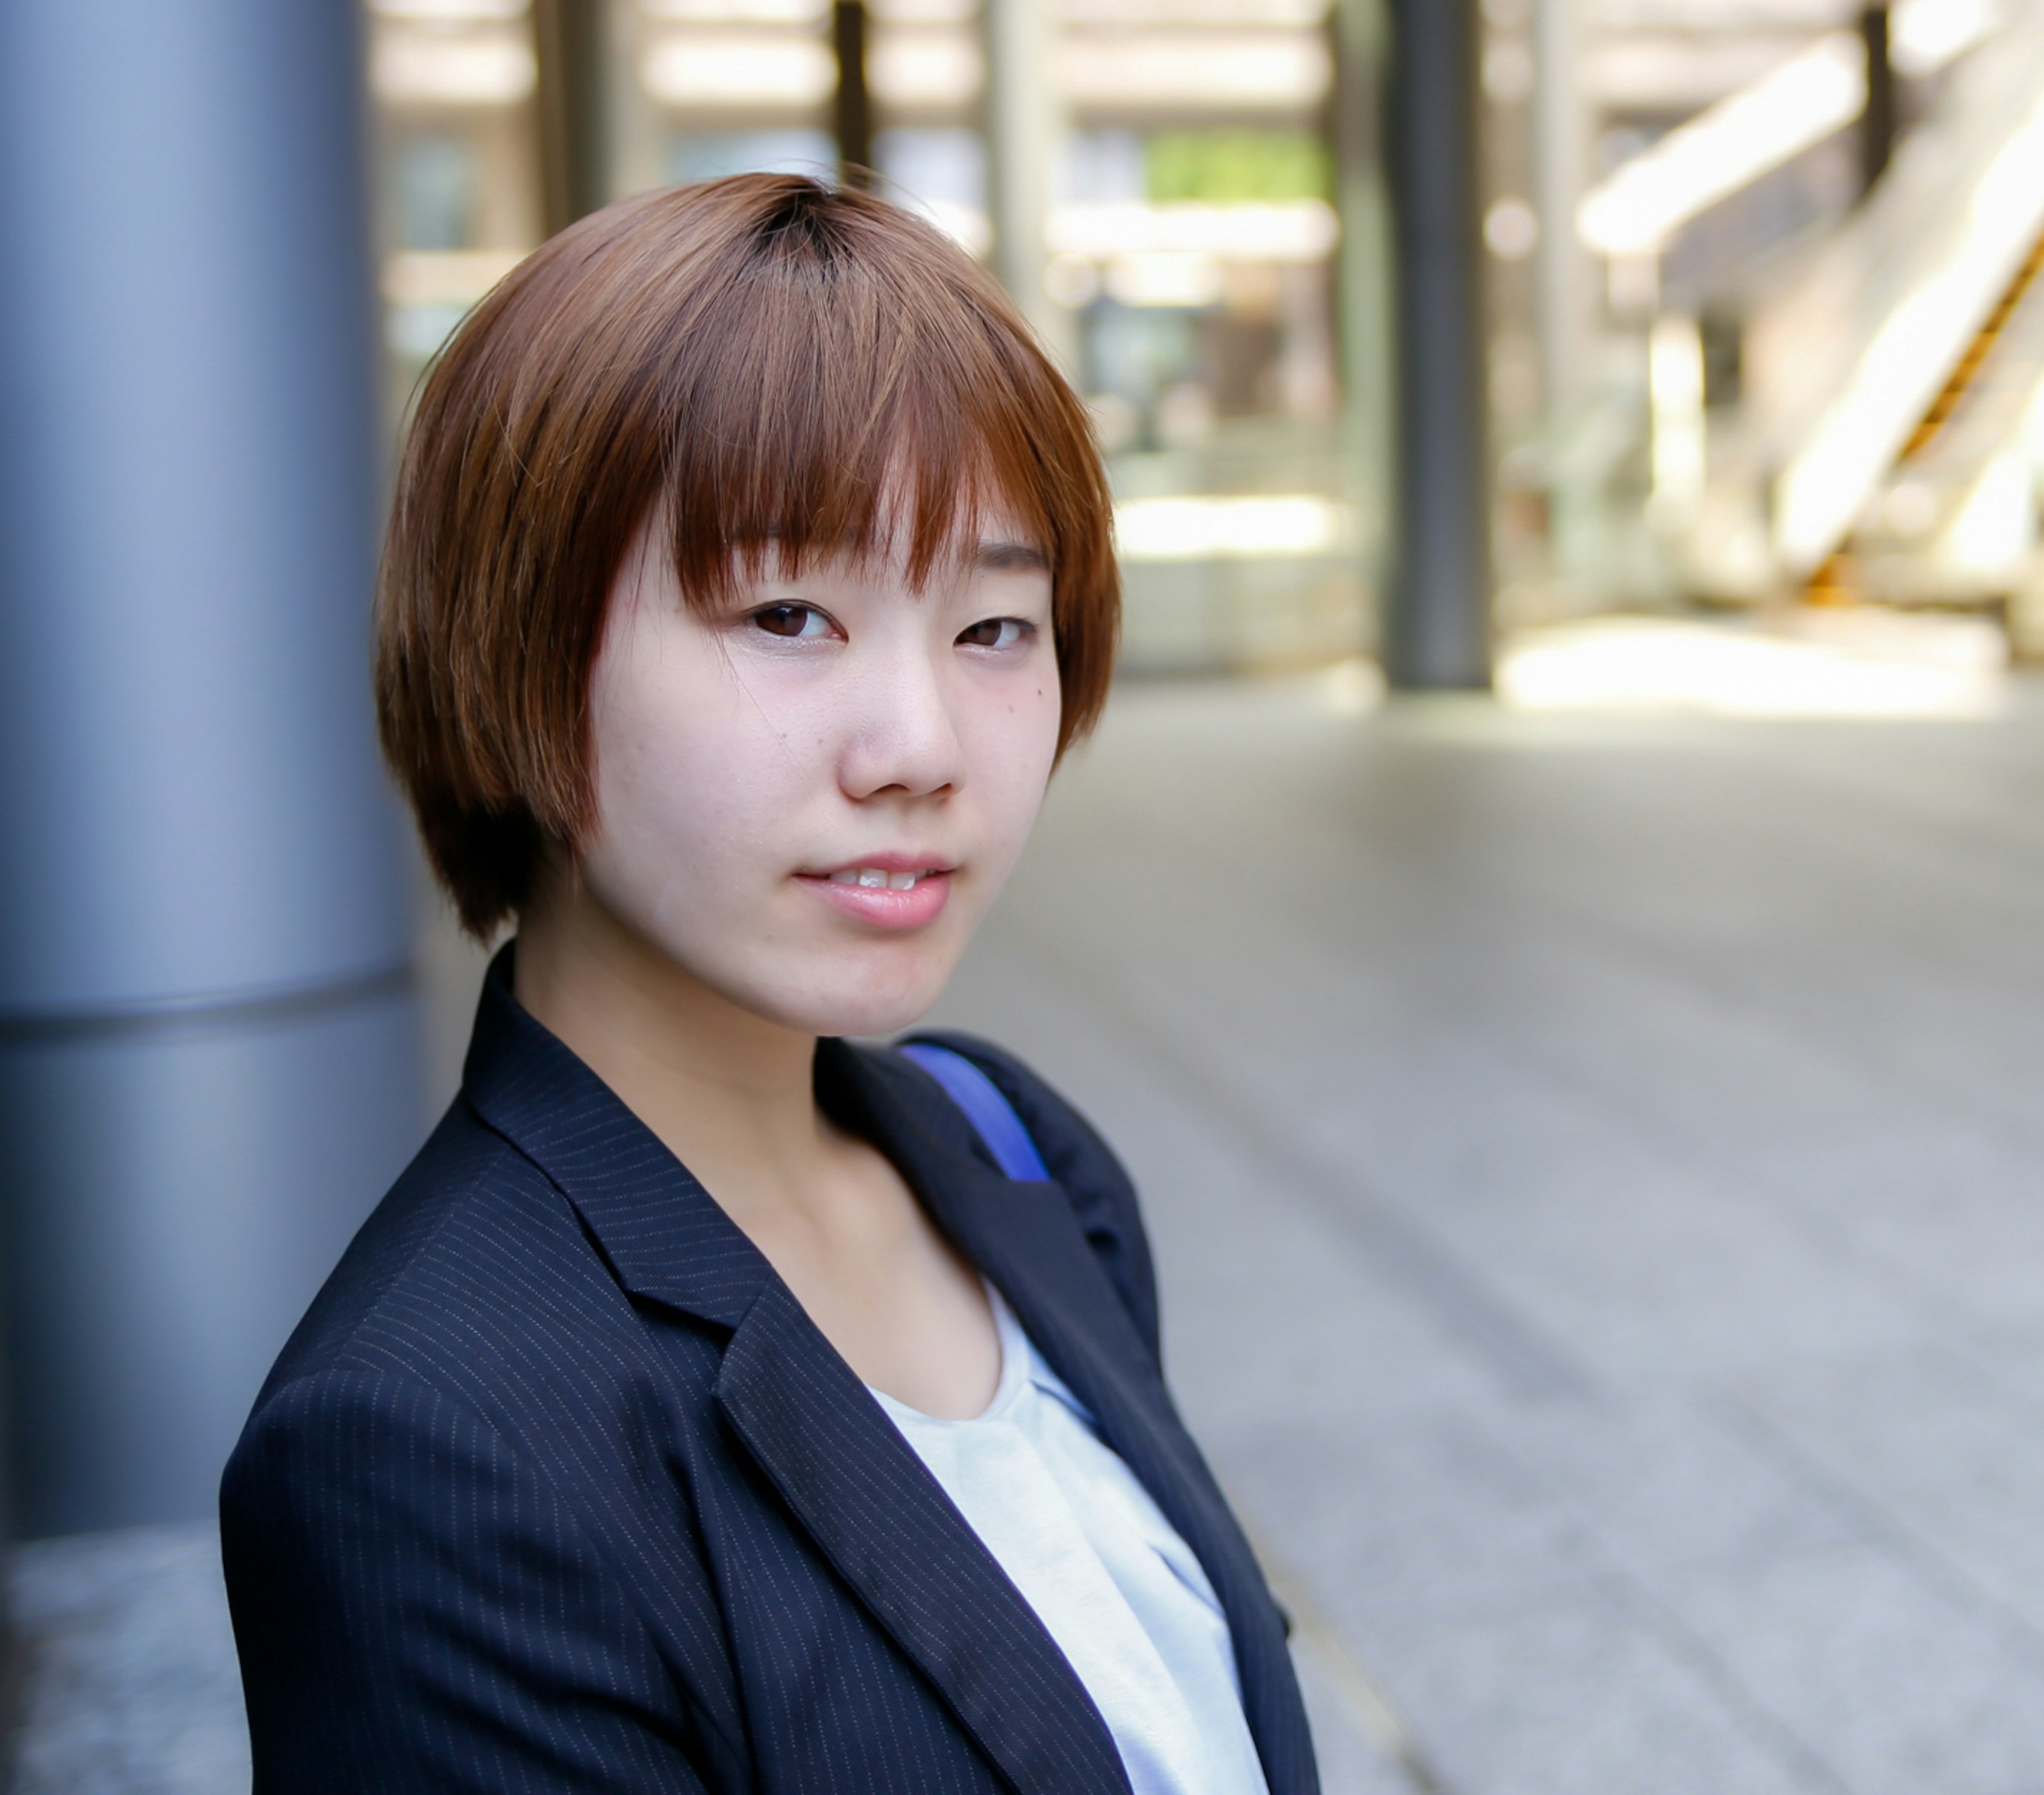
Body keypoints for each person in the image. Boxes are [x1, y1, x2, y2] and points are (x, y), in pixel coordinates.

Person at [219, 173, 1315, 1795]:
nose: (922, 748)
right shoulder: (426, 1442)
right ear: (515, 643)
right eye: (789, 612)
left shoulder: (1009, 1149)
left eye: (996, 627)